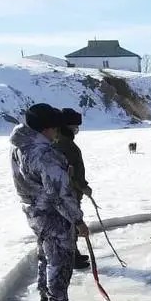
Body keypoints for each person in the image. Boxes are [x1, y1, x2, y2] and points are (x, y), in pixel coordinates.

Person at [10, 103, 89, 301]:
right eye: (55, 128)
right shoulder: (44, 154)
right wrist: (78, 221)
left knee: (45, 254)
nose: (57, 133)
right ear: (47, 128)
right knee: (60, 257)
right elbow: (60, 194)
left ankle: (47, 297)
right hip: (52, 213)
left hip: (33, 209)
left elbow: (31, 178)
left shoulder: (20, 146)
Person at [54, 108, 91, 270]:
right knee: (70, 224)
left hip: (73, 191)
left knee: (72, 224)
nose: (76, 130)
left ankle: (73, 253)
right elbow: (69, 172)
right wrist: (82, 186)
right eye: (75, 127)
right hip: (68, 192)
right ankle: (71, 256)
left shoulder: (66, 142)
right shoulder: (63, 144)